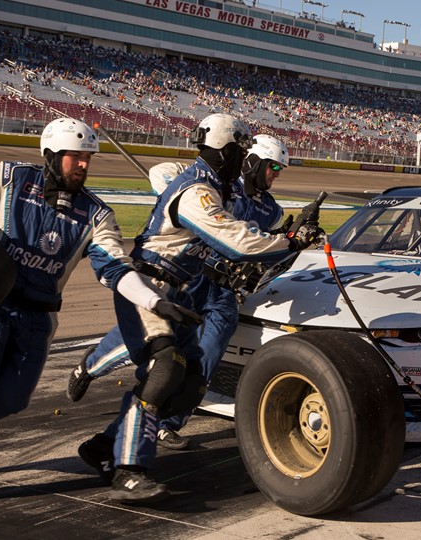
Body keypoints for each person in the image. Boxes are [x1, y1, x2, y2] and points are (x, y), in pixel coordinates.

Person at [0, 118, 198, 515]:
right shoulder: (11, 179)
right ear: (52, 155)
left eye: (88, 158)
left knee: (11, 401)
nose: (85, 166)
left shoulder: (97, 215)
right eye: (77, 157)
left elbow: (116, 268)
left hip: (38, 322)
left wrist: (154, 302)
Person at [76, 116, 319, 503]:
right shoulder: (198, 190)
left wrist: (287, 239)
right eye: (241, 151)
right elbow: (236, 241)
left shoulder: (224, 189)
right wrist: (289, 241)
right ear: (227, 151)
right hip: (149, 284)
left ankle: (103, 446)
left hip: (183, 292)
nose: (245, 159)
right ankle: (129, 469)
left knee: (190, 386)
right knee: (165, 370)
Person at [67, 134, 291, 451]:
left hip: (225, 291)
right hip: (193, 278)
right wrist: (178, 197)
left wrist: (286, 237)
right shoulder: (216, 183)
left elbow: (260, 245)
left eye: (279, 168)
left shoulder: (273, 210)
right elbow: (161, 174)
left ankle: (167, 423)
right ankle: (90, 366)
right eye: (272, 166)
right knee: (144, 340)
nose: (275, 174)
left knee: (204, 357)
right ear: (252, 161)